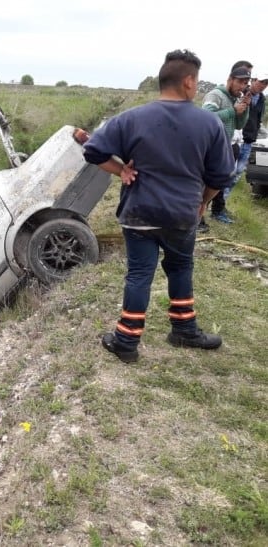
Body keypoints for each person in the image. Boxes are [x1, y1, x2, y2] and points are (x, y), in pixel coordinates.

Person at [82, 49, 234, 363]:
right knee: (180, 267)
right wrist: (203, 202)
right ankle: (184, 330)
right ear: (189, 81)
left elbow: (93, 149)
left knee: (139, 274)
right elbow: (222, 174)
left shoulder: (131, 118)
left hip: (139, 212)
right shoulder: (208, 124)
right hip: (182, 213)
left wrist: (121, 169)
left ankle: (126, 341)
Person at [200, 64, 252, 225]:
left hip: (224, 146)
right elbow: (206, 117)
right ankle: (197, 219)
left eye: (245, 83)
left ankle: (202, 213)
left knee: (218, 181)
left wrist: (245, 107)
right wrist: (232, 111)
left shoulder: (234, 99)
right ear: (230, 79)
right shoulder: (216, 95)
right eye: (240, 82)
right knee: (202, 183)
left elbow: (238, 125)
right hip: (209, 146)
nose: (242, 86)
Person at [230, 71, 268, 200]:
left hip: (249, 140)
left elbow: (258, 120)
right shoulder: (240, 93)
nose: (263, 85)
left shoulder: (262, 99)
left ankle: (222, 202)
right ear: (253, 80)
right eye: (261, 82)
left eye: (266, 83)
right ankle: (216, 206)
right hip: (236, 139)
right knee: (228, 172)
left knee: (238, 172)